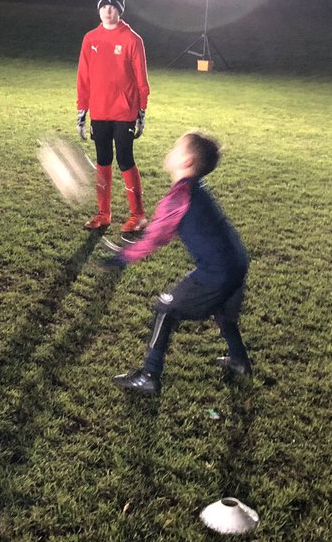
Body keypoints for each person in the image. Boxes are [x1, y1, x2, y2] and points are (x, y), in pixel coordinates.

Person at [102, 131, 251, 396]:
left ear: (187, 162)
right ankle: (239, 360)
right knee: (223, 312)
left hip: (216, 271)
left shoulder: (178, 197)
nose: (170, 151)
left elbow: (155, 238)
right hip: (236, 264)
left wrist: (122, 257)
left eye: (176, 148)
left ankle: (149, 375)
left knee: (165, 309)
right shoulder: (196, 189)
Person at [76, 0, 150, 232]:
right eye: (104, 6)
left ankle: (137, 215)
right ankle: (103, 214)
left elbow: (142, 80)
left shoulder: (132, 40)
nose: (108, 11)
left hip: (124, 113)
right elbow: (83, 78)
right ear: (98, 9)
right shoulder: (90, 39)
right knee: (103, 160)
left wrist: (141, 111)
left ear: (120, 10)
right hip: (99, 112)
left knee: (125, 159)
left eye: (113, 6)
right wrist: (81, 110)